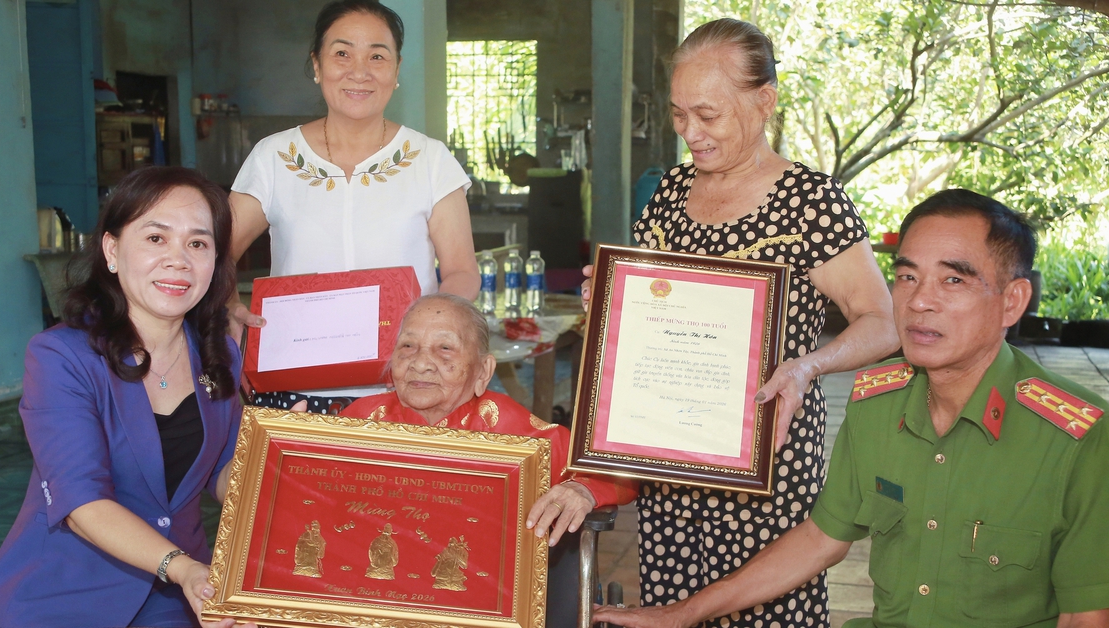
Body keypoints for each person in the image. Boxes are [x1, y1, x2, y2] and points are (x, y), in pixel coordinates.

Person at [594, 189, 1109, 628]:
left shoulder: (1077, 438)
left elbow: (1086, 617)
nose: (919, 302)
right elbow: (821, 537)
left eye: (953, 280)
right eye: (907, 277)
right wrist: (683, 613)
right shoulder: (878, 405)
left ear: (1013, 301)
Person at [578, 18, 899, 626]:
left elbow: (882, 320)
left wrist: (809, 367)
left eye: (708, 114)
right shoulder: (671, 193)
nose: (690, 133)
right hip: (673, 454)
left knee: (768, 609)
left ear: (764, 101)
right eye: (678, 115)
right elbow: (652, 312)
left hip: (765, 458)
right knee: (673, 601)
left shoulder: (811, 201)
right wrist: (614, 302)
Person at [0, 168, 256, 628]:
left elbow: (222, 474)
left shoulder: (217, 350)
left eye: (198, 244)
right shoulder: (61, 356)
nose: (179, 260)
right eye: (155, 238)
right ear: (111, 250)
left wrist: (277, 458)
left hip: (175, 600)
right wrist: (181, 568)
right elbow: (83, 502)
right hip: (61, 597)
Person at [227, 0, 479, 413]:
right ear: (316, 65)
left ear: (397, 71)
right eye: (342, 53)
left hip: (402, 391)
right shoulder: (273, 157)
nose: (359, 71)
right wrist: (224, 314)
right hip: (292, 388)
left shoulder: (430, 160)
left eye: (377, 56)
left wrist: (428, 336)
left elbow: (461, 272)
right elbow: (213, 253)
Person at [340, 294, 638, 623]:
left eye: (445, 348)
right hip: (371, 597)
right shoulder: (361, 421)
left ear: (484, 370)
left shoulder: (512, 430)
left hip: (475, 604)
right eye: (408, 347)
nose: (420, 362)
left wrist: (581, 490)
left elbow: (616, 470)